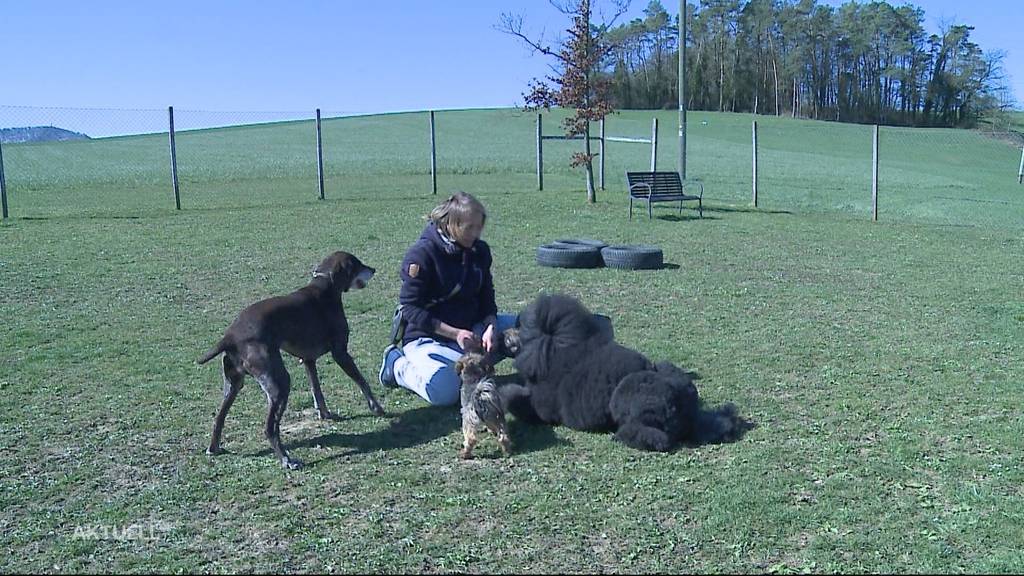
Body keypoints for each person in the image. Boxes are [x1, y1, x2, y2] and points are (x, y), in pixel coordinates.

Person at [378, 192, 517, 406]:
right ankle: (396, 366)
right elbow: (410, 308)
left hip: (473, 328)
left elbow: (486, 292)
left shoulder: (480, 251)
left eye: (479, 226)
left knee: (529, 326)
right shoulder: (422, 255)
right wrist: (455, 333)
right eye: (468, 228)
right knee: (443, 389)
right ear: (451, 224)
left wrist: (490, 324)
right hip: (429, 337)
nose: (475, 233)